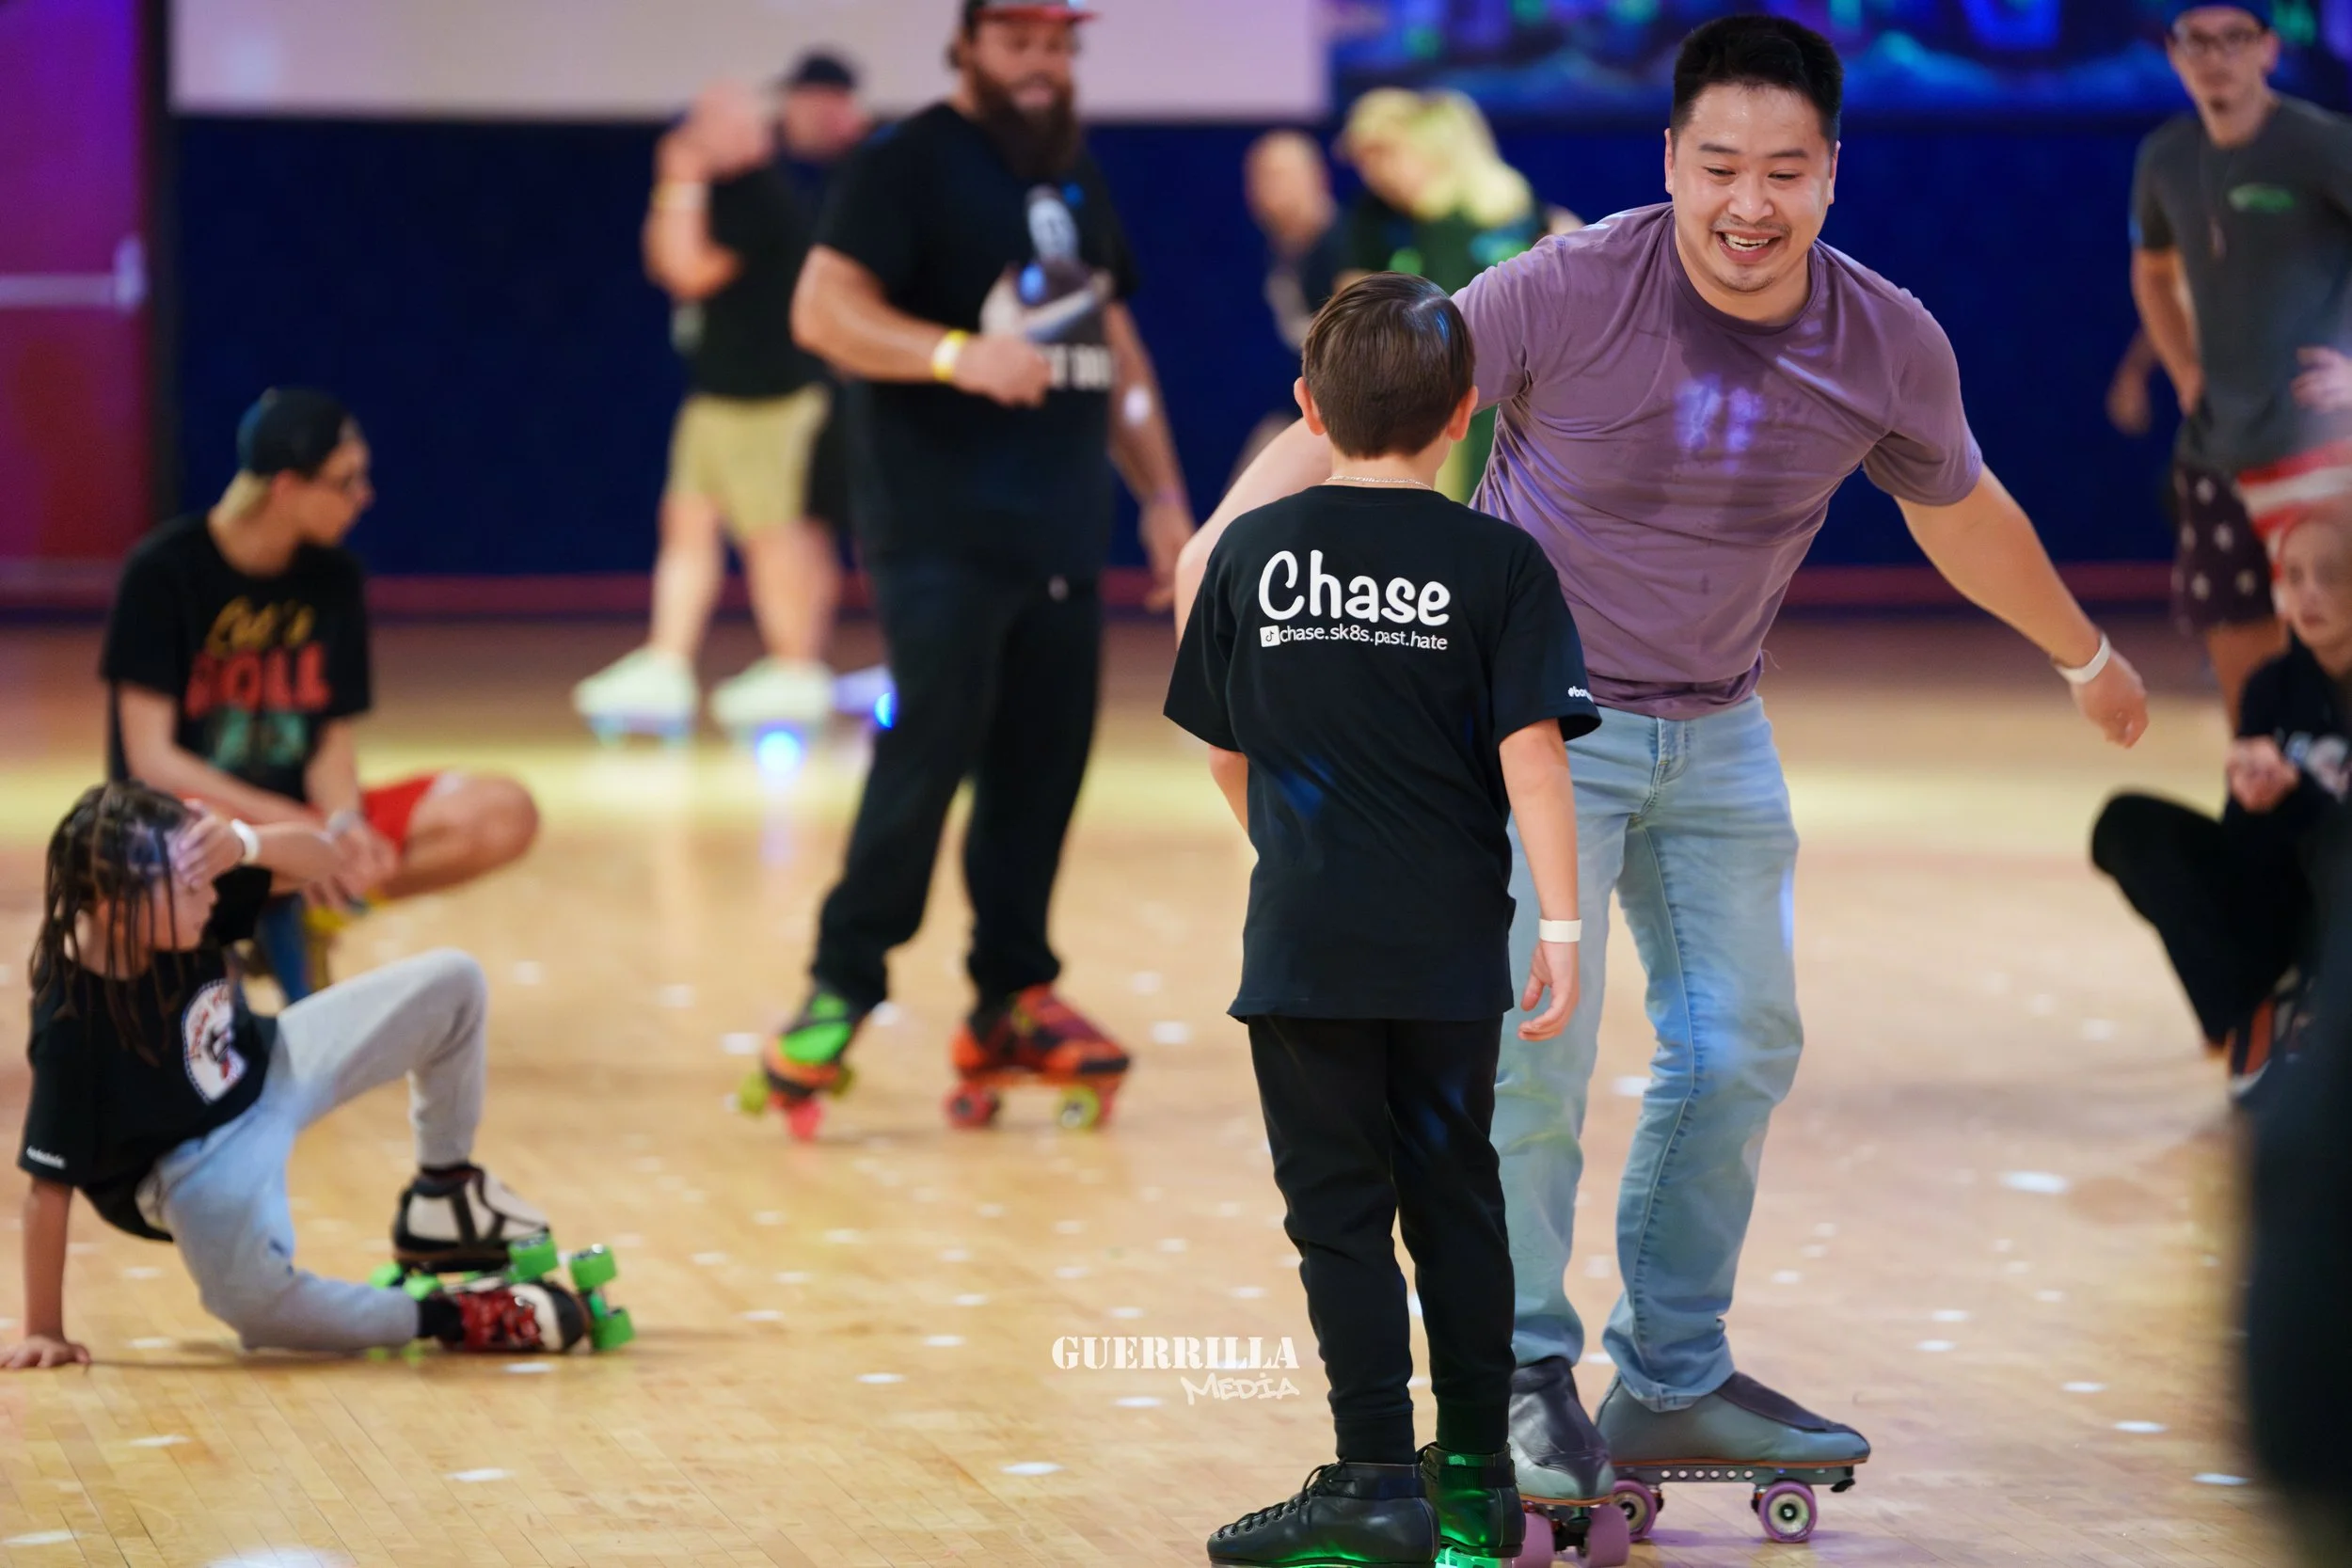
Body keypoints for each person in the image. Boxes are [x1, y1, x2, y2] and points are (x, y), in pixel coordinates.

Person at [1184, 12, 2149, 1515]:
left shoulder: (1885, 337)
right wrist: (1226, 541)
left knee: (1742, 1040)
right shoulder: (1566, 286)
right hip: (1515, 732)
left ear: (1832, 176)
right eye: (1720, 166)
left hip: (1718, 724)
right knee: (1526, 1055)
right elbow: (1372, 403)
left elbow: (1961, 507)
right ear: (1669, 163)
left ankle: (1671, 1372)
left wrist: (2084, 653)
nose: (1749, 202)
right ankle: (1514, 1374)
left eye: (1785, 171)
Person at [1169, 275, 1601, 1568]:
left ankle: (1370, 1479)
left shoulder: (1253, 552)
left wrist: (1304, 861)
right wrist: (1563, 930)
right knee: (1456, 1194)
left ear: (1307, 408)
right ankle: (1474, 1481)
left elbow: (1225, 756)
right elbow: (1537, 755)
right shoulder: (1502, 560)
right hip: (1450, 955)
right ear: (1466, 411)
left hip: (1305, 955)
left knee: (1341, 1212)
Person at [755, 0, 1194, 1134]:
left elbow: (1119, 338)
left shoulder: (1074, 176)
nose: (1043, 66)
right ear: (968, 50)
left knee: (1043, 762)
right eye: (1019, 44)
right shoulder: (902, 163)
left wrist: (1159, 493)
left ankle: (1010, 997)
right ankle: (839, 986)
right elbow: (823, 308)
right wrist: (954, 354)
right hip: (937, 523)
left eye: (1059, 46)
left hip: (1058, 527)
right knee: (931, 748)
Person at [6, 784, 586, 1366]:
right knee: (256, 1308)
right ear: (115, 905)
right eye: (192, 887)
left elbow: (325, 861)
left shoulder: (174, 896)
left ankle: (443, 1193)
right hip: (193, 1165)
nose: (211, 895)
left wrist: (242, 842)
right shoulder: (71, 1025)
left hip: (271, 1060)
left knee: (452, 982)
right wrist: (45, 1329)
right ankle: (448, 1317)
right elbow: (49, 1189)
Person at [104, 388, 540, 999]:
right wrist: (286, 830)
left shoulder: (333, 578)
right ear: (286, 487)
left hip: (299, 821)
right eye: (346, 480)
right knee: (151, 871)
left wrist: (345, 823)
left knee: (503, 810)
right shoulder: (163, 571)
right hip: (192, 822)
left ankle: (303, 909)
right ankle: (224, 928)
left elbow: (329, 734)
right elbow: (149, 759)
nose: (364, 495)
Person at [573, 78, 839, 738]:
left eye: (710, 126)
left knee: (776, 536)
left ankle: (796, 668)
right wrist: (679, 187)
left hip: (770, 400)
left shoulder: (762, 198)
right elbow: (662, 260)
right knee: (687, 525)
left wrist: (679, 183)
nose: (693, 140)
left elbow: (690, 269)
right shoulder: (713, 193)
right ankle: (667, 662)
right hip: (716, 396)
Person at [2130, 0, 2352, 726]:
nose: (2215, 56)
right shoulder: (2164, 158)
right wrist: (2184, 371)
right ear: (2174, 54)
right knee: (2249, 698)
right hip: (2215, 453)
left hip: (2318, 445)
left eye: (2235, 39)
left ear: (2268, 50)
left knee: (2333, 674)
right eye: (2198, 40)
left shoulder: (2321, 145)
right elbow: (2153, 272)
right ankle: (2266, 824)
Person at [2092, 509, 2352, 1097]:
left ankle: (2319, 1005)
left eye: (2330, 575)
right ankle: (2248, 1010)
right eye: (2293, 575)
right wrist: (2252, 793)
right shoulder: (2272, 686)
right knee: (2127, 824)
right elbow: (2248, 850)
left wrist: (2300, 795)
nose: (2307, 593)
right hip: (2280, 910)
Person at [776, 51, 877, 577]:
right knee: (822, 517)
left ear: (827, 104)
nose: (785, 116)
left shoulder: (876, 170)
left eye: (794, 101)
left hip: (883, 381)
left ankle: (916, 658)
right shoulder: (825, 179)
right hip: (839, 383)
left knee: (886, 521)